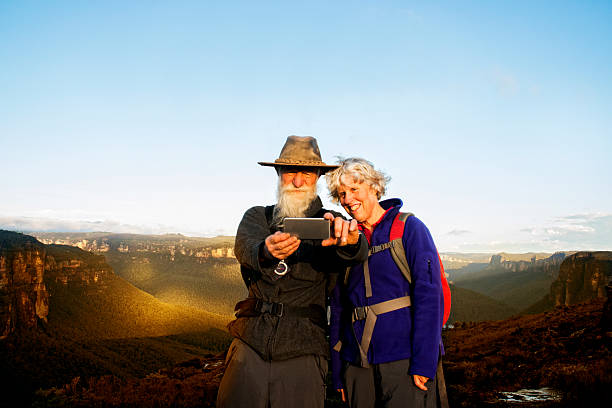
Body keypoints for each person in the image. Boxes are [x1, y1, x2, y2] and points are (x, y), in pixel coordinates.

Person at [216, 136, 368, 408]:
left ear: (318, 176)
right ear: (278, 174)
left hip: (304, 351)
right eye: (290, 172)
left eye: (307, 173)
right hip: (250, 345)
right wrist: (266, 251)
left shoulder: (331, 223)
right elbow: (245, 248)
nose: (298, 181)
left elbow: (356, 252)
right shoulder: (258, 217)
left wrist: (351, 242)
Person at [326, 157, 447, 408]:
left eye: (354, 190)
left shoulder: (409, 228)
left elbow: (429, 295)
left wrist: (424, 361)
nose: (347, 200)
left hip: (403, 359)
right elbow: (338, 309)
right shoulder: (345, 239)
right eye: (342, 194)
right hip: (356, 363)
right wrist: (338, 372)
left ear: (374, 187)